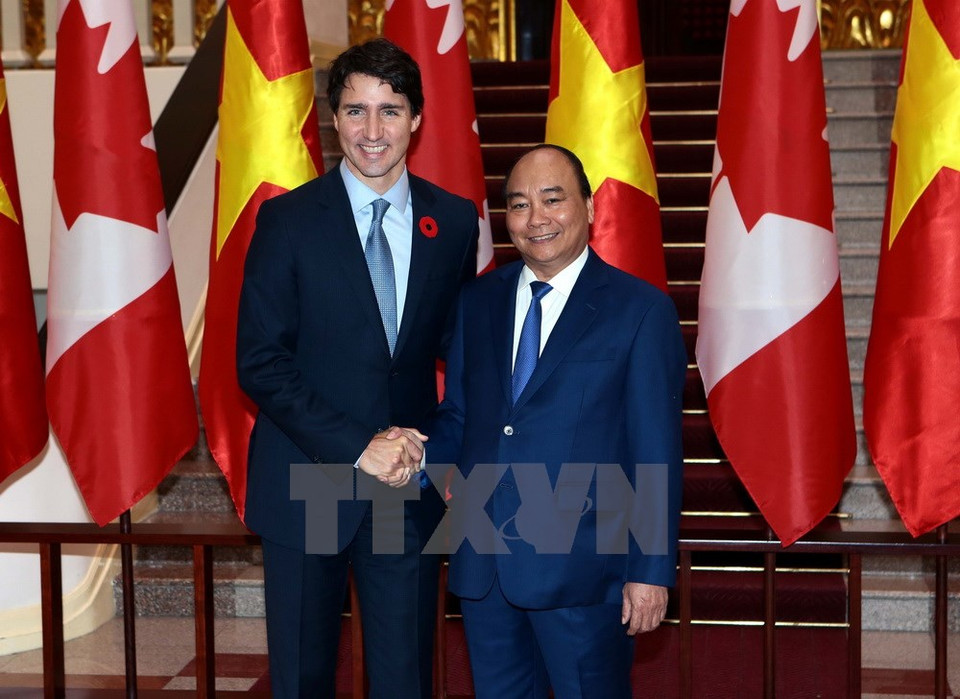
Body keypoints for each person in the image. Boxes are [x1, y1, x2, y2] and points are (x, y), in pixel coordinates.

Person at [236, 38, 479, 699]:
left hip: (403, 481)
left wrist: (438, 448)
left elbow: (462, 352)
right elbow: (259, 360)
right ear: (334, 118)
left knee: (405, 675)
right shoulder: (286, 221)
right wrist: (356, 446)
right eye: (356, 111)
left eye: (391, 110)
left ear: (417, 118)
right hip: (312, 473)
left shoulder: (453, 221)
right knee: (304, 674)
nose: (373, 131)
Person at [426, 144, 686, 698]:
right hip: (485, 567)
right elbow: (463, 417)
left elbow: (655, 451)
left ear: (589, 208)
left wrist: (651, 569)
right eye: (519, 205)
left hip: (586, 574)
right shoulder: (478, 302)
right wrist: (414, 452)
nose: (535, 218)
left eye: (552, 199)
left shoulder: (639, 310)